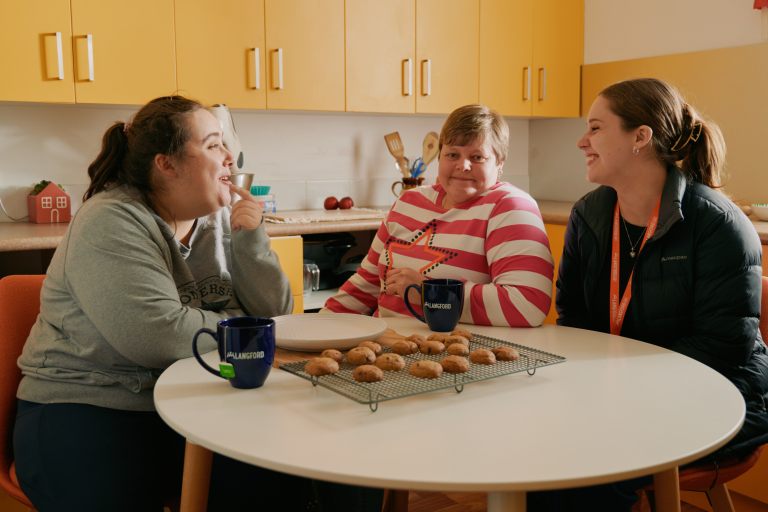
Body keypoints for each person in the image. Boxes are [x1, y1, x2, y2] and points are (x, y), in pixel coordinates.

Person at [13, 96, 382, 511]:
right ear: (166, 164)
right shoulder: (111, 220)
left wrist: (251, 239)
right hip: (89, 404)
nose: (230, 157)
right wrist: (244, 321)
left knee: (319, 468)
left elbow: (278, 316)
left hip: (194, 399)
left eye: (225, 143)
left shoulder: (219, 218)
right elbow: (159, 337)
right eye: (212, 145)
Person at [537, 77, 768, 510]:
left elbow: (721, 347)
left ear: (640, 137)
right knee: (537, 440)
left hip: (717, 394)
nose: (582, 141)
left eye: (596, 128)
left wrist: (619, 389)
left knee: (588, 467)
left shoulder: (719, 225)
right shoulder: (588, 215)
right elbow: (574, 319)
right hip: (620, 391)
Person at [324, 104, 554, 327]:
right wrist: (320, 324)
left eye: (477, 157)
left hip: (457, 349)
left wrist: (429, 293)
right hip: (386, 343)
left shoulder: (510, 207)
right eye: (452, 154)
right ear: (440, 157)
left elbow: (527, 304)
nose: (463, 165)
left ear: (500, 162)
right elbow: (367, 284)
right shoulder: (408, 202)